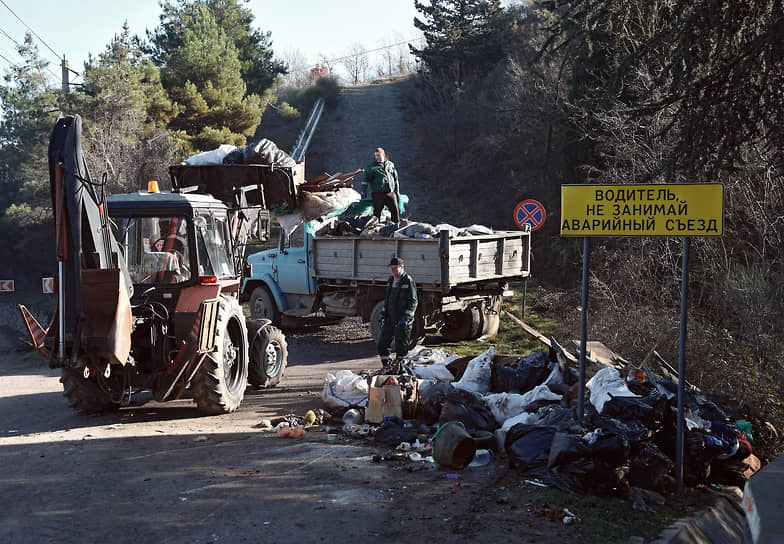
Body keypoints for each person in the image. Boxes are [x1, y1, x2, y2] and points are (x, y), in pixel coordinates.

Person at [377, 256, 418, 366]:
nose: (393, 270)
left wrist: (406, 318)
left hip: (402, 321)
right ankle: (387, 365)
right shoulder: (390, 280)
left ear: (402, 267)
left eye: (395, 268)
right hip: (390, 319)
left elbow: (413, 302)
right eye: (391, 268)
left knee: (401, 348)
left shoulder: (408, 281)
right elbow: (387, 300)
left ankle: (401, 369)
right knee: (382, 343)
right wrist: (382, 314)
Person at [363, 147, 400, 223]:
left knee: (395, 210)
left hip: (390, 193)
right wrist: (364, 193)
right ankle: (375, 229)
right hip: (378, 194)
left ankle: (396, 227)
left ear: (383, 155)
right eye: (376, 155)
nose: (377, 157)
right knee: (377, 213)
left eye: (378, 155)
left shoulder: (390, 164)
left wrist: (397, 192)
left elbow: (396, 179)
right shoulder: (371, 166)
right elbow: (365, 180)